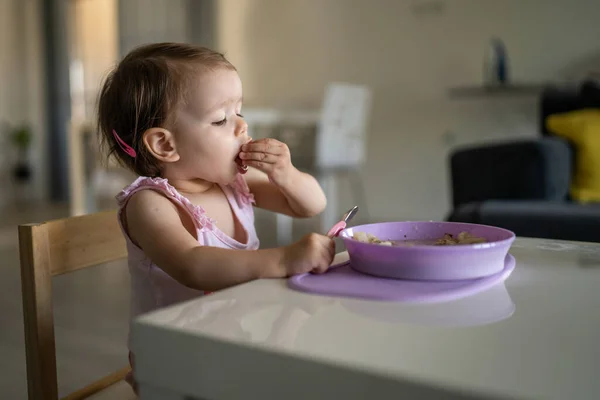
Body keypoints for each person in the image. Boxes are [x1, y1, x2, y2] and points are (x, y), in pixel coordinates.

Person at [96, 42, 335, 391]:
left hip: (229, 337)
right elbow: (192, 264)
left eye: (239, 110)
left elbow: (309, 205)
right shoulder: (150, 203)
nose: (241, 126)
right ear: (165, 145)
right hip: (172, 360)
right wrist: (284, 258)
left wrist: (287, 175)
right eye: (221, 119)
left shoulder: (234, 183)